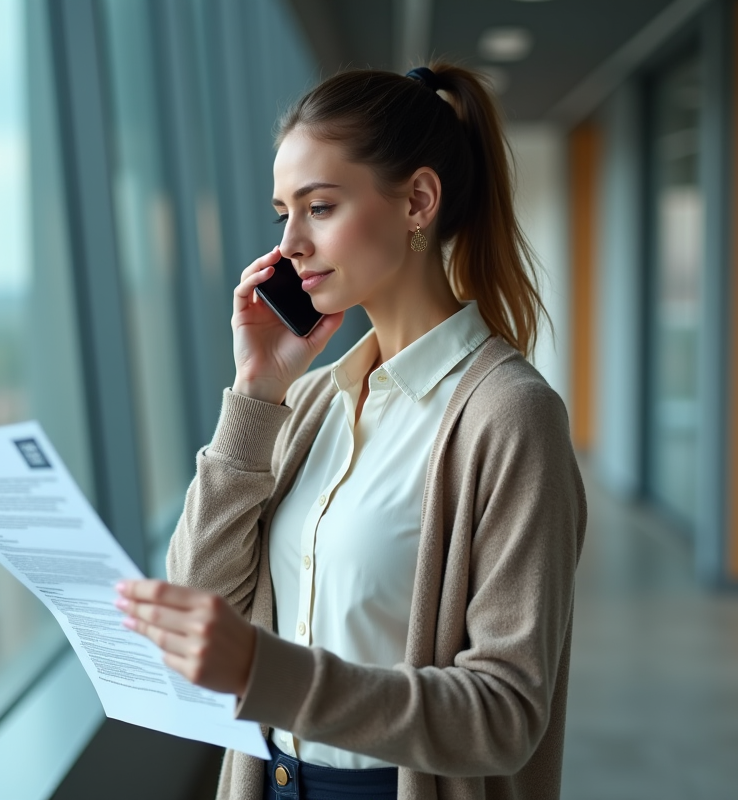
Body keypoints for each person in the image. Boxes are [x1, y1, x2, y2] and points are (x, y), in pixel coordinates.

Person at [114, 63, 586, 800]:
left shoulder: (510, 417)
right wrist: (255, 392)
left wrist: (264, 675)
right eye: (283, 214)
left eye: (320, 207)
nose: (289, 244)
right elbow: (200, 593)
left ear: (418, 202)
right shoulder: (305, 406)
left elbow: (506, 714)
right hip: (269, 781)